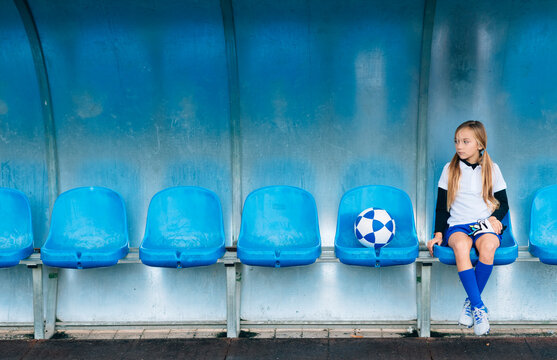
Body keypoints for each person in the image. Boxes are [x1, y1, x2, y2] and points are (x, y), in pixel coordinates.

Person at [427, 120, 509, 336]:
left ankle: (471, 302)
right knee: (461, 247)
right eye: (456, 141)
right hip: (458, 226)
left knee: (489, 245)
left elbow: (504, 204)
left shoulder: (493, 169)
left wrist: (494, 218)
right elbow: (441, 207)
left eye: (465, 141)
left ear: (480, 144)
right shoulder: (449, 168)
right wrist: (437, 234)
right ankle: (479, 307)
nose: (459, 146)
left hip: (482, 225)